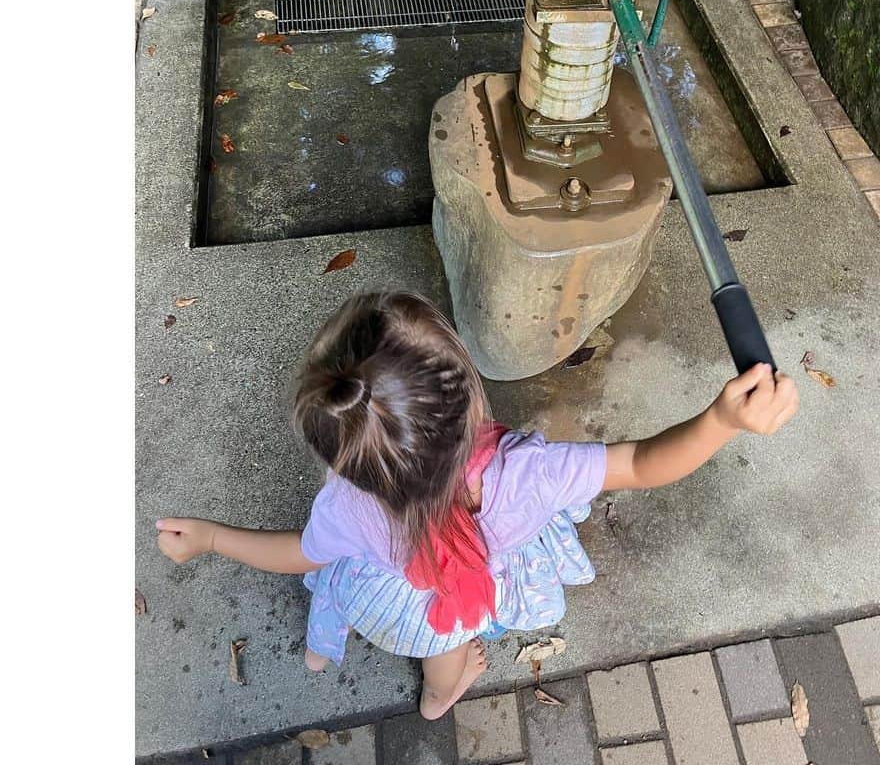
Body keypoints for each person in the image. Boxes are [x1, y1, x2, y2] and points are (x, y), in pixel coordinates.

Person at [157, 291, 798, 720]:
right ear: (470, 399)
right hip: (438, 613)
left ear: (344, 453)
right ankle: (440, 701)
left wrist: (211, 537)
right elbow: (640, 463)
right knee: (448, 655)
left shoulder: (349, 500)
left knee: (331, 584)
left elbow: (297, 554)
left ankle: (321, 650)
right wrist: (722, 420)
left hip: (375, 596)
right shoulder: (528, 474)